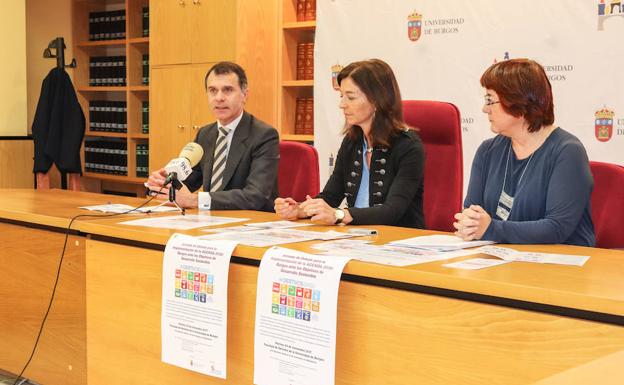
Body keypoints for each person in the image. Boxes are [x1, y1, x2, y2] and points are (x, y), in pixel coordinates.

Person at [454, 58, 595, 246]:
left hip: (560, 264)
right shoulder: (487, 151)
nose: (484, 109)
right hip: (504, 262)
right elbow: (472, 213)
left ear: (517, 103)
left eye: (490, 100)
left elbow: (556, 228)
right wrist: (470, 223)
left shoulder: (567, 151)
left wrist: (490, 229)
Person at [275, 59, 425, 227]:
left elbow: (392, 211)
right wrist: (301, 210)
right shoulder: (352, 142)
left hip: (396, 242)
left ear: (377, 100)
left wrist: (338, 214)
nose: (342, 104)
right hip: (357, 239)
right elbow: (331, 196)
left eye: (351, 97)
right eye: (341, 96)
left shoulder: (408, 146)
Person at [146, 61, 279, 211]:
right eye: (213, 90)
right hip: (211, 221)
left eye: (227, 90)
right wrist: (165, 182)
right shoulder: (205, 134)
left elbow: (256, 196)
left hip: (250, 223)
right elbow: (190, 182)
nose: (219, 98)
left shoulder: (264, 135)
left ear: (244, 95)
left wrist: (195, 200)